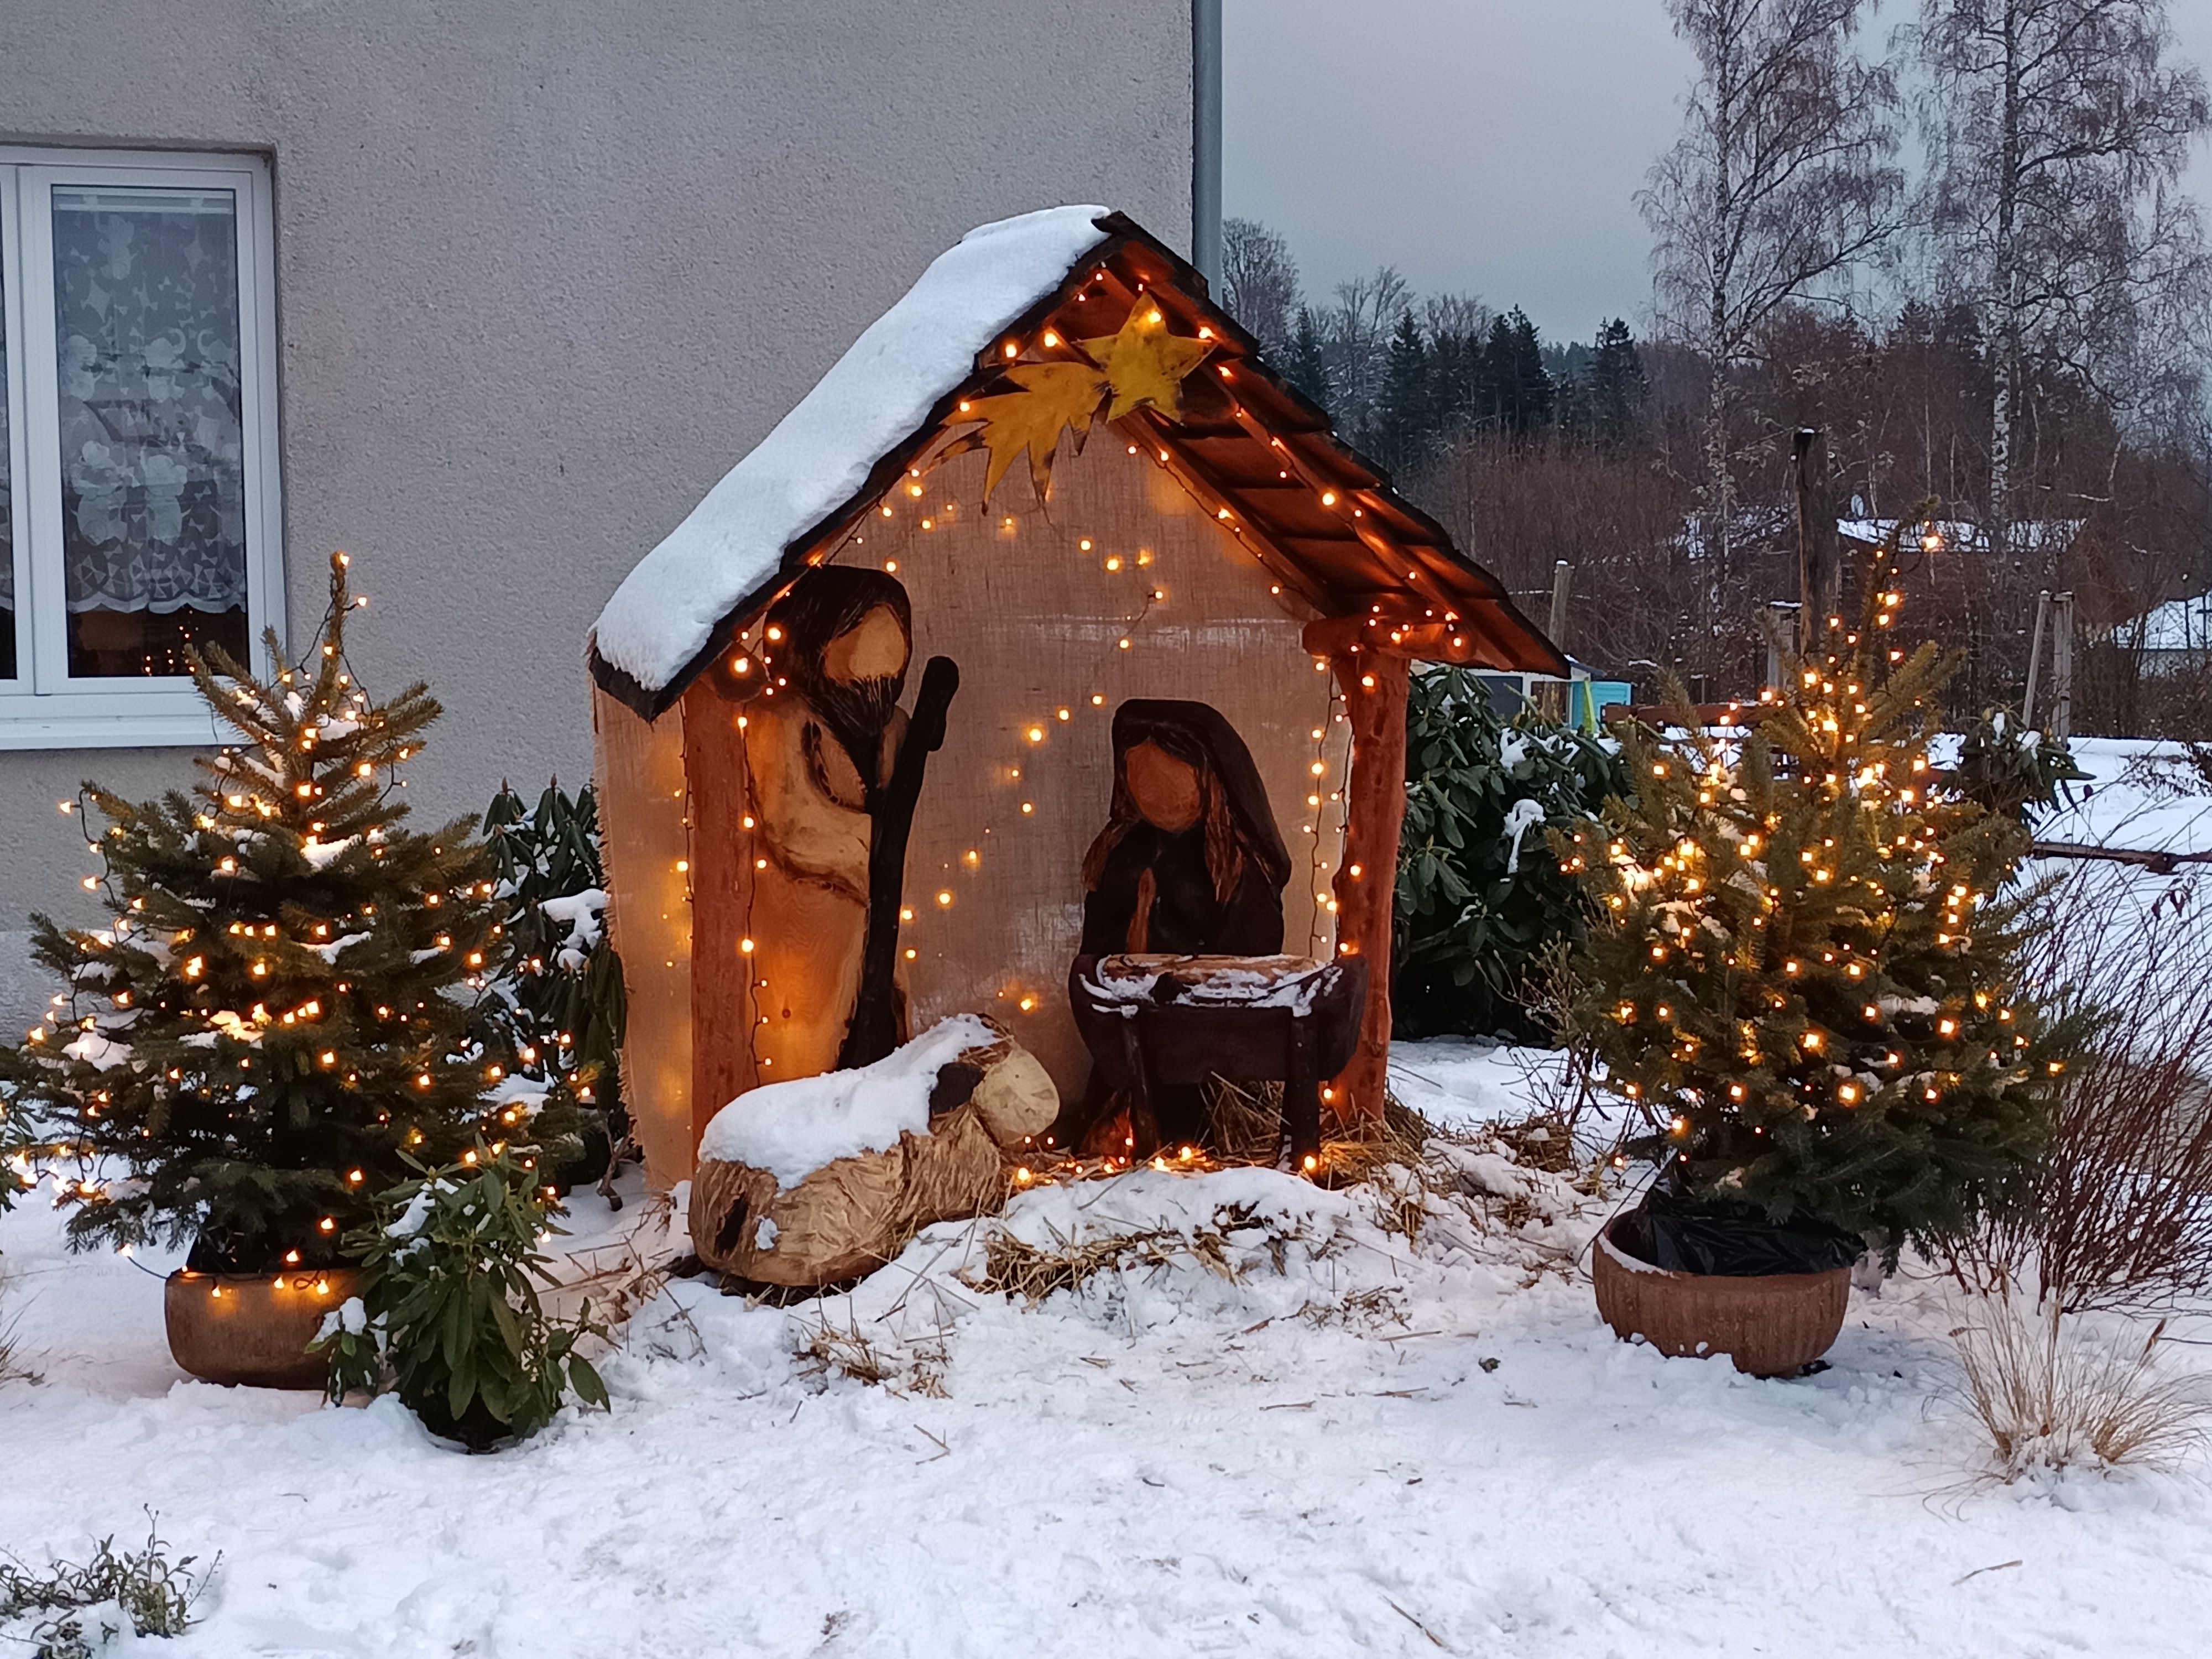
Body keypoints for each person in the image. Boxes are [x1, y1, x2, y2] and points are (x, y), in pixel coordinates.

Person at [1057, 699, 1292, 1151]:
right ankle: (1115, 1123)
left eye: (1172, 777)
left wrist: (1184, 974)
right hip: (1127, 1014)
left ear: (1211, 778)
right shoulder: (1122, 851)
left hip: (1199, 1027)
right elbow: (1097, 929)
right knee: (1122, 1074)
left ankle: (1178, 1136)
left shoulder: (1230, 862)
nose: (1152, 791)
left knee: (1185, 1106)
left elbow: (1250, 952)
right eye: (1138, 775)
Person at [733, 567, 919, 1084]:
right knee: (810, 1048)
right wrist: (877, 853)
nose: (879, 656)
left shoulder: (895, 728)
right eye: (858, 638)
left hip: (876, 919)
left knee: (883, 1023)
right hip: (807, 921)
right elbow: (794, 822)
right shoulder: (779, 718)